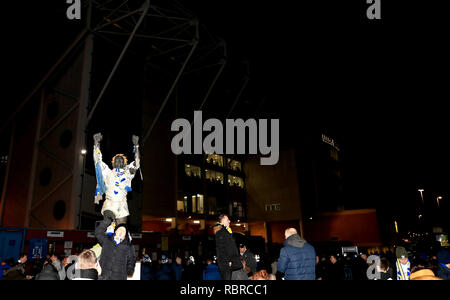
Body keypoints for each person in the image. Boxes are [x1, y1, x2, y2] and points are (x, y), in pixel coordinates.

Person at [93, 133, 140, 225]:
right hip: (110, 204)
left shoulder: (128, 172)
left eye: (121, 160)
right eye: (116, 160)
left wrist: (136, 146)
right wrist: (96, 143)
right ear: (113, 163)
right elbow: (98, 160)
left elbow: (137, 162)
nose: (118, 160)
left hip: (122, 205)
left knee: (121, 230)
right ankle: (109, 227)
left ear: (125, 164)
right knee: (109, 224)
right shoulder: (107, 172)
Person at [215, 214, 243, 280]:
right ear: (223, 221)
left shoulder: (227, 231)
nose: (229, 221)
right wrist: (228, 261)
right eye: (228, 220)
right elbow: (221, 248)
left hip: (230, 262)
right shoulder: (221, 232)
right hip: (226, 263)